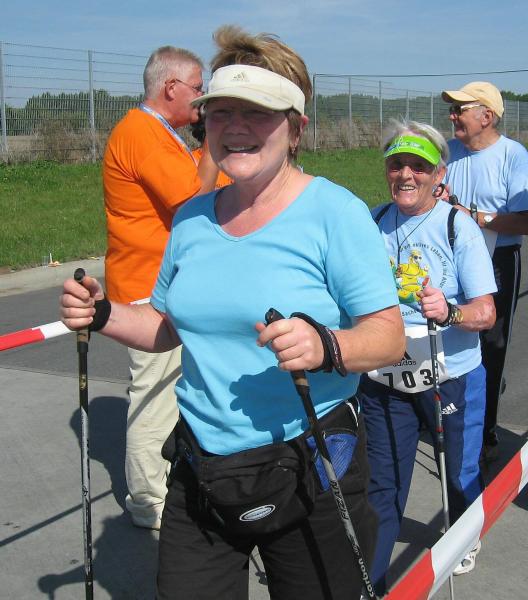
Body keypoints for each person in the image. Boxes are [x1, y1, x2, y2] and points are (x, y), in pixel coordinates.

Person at [62, 25, 404, 600]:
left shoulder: (335, 213)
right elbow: (167, 328)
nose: (236, 127)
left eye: (258, 112)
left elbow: (389, 338)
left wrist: (327, 346)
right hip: (202, 466)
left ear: (295, 128)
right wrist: (102, 313)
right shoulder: (192, 218)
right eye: (221, 112)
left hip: (312, 462)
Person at [359, 120, 497, 593]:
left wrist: (450, 311)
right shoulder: (373, 222)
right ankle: (373, 581)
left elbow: (486, 312)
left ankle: (465, 535)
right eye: (396, 164)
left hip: (450, 373)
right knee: (383, 482)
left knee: (457, 473)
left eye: (418, 166)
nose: (406, 175)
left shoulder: (458, 227)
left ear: (439, 174)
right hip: (385, 375)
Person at [103, 45, 221, 530]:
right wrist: (214, 139)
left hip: (164, 286)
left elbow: (205, 179)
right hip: (145, 290)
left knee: (171, 392)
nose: (202, 98)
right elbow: (192, 198)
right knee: (154, 397)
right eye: (198, 89)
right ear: (171, 87)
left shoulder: (162, 134)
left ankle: (165, 486)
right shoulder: (141, 133)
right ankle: (149, 502)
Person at [441, 81, 528, 458]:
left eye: (460, 109)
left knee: (490, 347)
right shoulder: (448, 152)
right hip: (451, 260)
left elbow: (526, 220)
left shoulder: (513, 155)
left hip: (497, 260)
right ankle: (447, 417)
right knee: (448, 338)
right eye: (452, 109)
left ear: (486, 115)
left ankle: (484, 431)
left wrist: (474, 217)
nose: (452, 116)